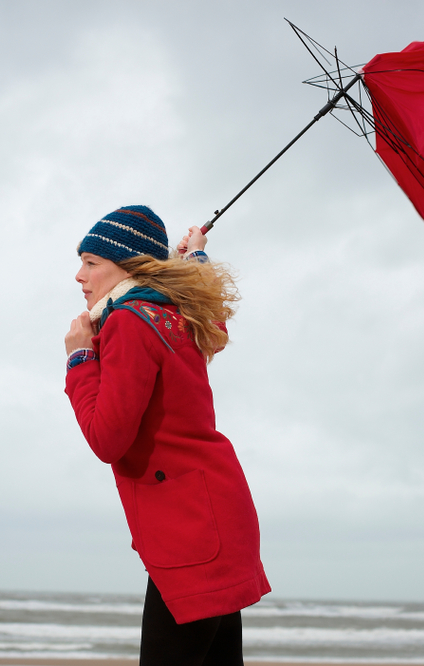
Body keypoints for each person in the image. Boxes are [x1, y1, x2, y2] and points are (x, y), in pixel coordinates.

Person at [64, 205, 271, 665]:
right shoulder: (177, 314)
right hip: (214, 521)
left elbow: (107, 439)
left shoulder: (130, 320)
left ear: (129, 267)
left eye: (92, 262)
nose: (80, 275)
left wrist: (80, 358)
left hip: (192, 533)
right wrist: (196, 257)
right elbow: (214, 325)